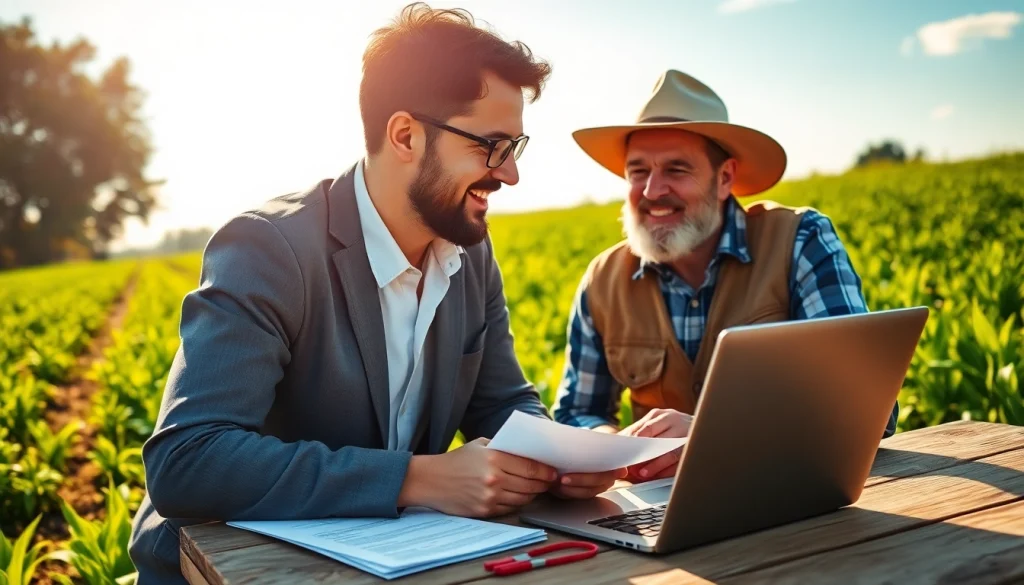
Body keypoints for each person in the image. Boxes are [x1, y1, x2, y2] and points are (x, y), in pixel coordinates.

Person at [128, 5, 621, 584]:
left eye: (516, 147)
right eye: (491, 146)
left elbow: (501, 404)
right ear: (405, 135)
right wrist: (417, 477)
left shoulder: (471, 251)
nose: (509, 174)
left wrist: (570, 457)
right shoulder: (268, 248)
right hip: (229, 569)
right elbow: (189, 460)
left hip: (392, 560)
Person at [552, 69, 897, 481]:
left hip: (787, 492)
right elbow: (579, 412)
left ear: (725, 178)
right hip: (655, 509)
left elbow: (865, 405)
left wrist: (707, 436)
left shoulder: (800, 241)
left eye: (676, 170)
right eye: (638, 171)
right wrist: (611, 447)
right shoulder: (603, 279)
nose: (651, 191)